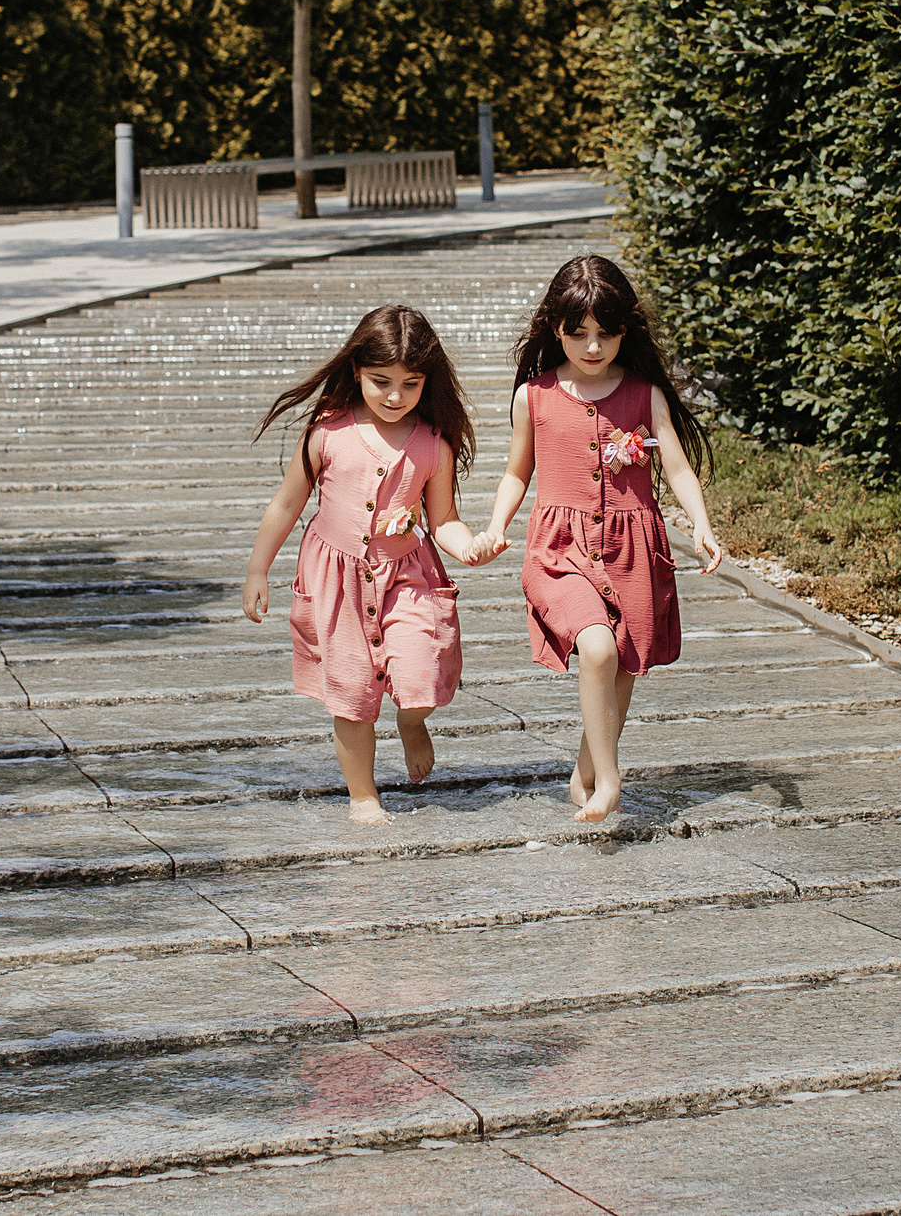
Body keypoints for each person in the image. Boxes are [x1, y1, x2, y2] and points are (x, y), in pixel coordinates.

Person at [479, 255, 722, 824]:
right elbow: (517, 472)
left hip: (634, 545)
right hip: (560, 549)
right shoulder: (533, 396)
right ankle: (611, 780)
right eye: (578, 334)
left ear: (624, 332)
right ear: (554, 328)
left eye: (606, 335)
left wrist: (702, 524)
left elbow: (678, 470)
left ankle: (587, 773)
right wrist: (495, 527)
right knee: (597, 646)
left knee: (622, 666)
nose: (593, 348)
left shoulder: (645, 394)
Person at [242, 304, 498, 824]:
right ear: (356, 370)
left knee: (421, 666)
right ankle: (364, 795)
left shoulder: (432, 443)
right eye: (381, 382)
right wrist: (257, 570)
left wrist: (468, 545)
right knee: (352, 693)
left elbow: (443, 517)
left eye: (411, 384)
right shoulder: (327, 431)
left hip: (407, 576)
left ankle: (412, 720)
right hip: (336, 581)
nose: (395, 396)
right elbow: (286, 504)